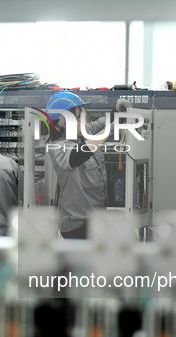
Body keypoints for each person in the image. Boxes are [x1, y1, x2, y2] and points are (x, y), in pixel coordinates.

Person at [46, 91, 130, 239]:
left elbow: (106, 121)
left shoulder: (86, 132)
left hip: (96, 218)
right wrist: (109, 130)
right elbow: (79, 154)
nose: (85, 121)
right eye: (80, 118)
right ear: (65, 123)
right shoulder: (58, 147)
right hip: (77, 223)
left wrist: (117, 109)